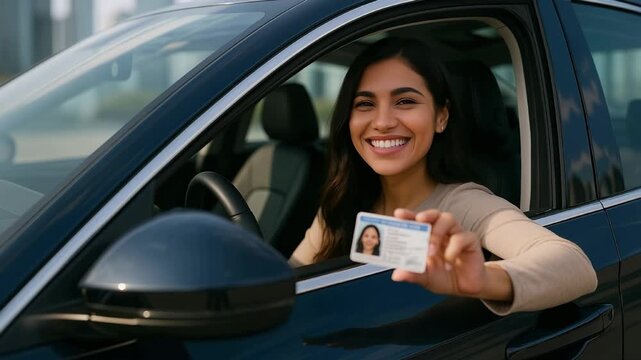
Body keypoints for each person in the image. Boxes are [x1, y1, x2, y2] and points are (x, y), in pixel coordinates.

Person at [289, 37, 597, 315]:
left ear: (441, 116)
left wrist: (485, 279)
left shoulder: (462, 203)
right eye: (365, 104)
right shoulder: (343, 202)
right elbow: (286, 282)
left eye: (405, 101)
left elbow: (575, 265)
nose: (382, 122)